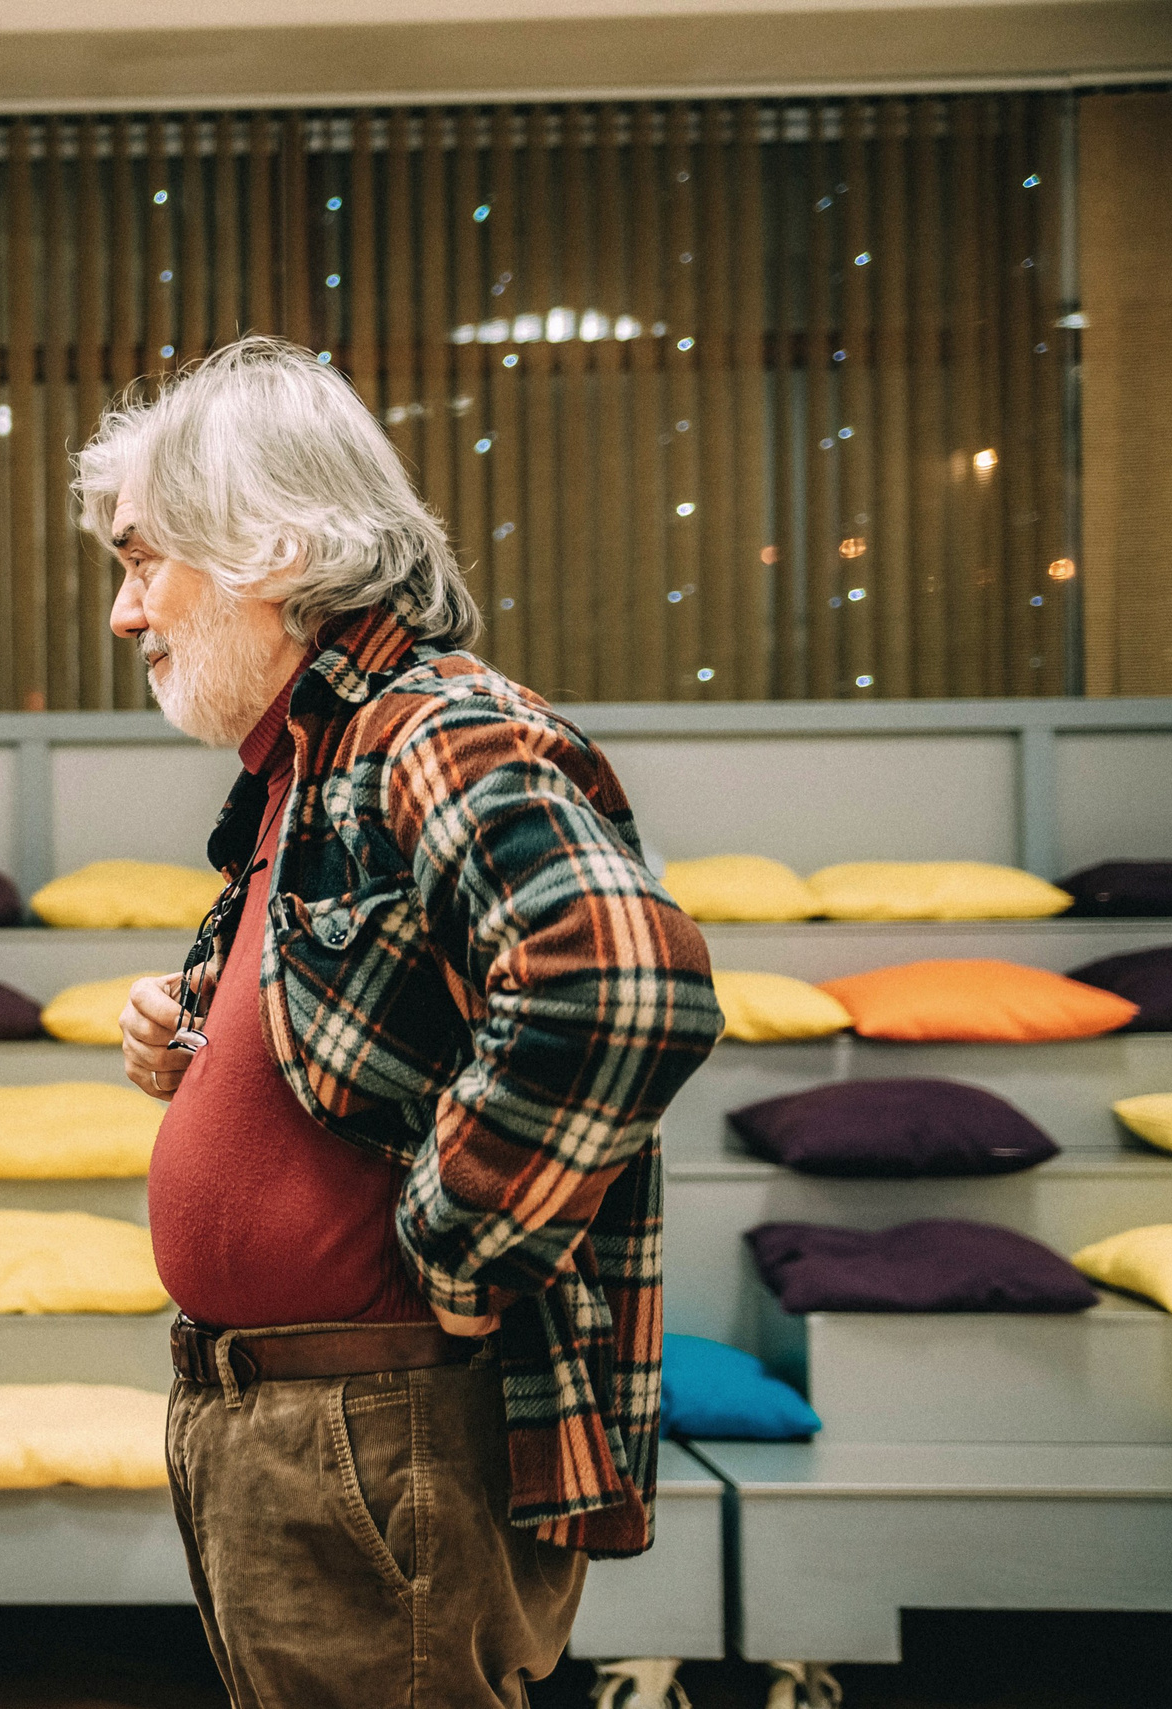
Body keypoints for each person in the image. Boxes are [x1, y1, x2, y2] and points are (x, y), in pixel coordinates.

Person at [84, 341, 723, 1709]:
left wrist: (452, 1245)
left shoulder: (428, 725)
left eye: (142, 561)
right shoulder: (311, 756)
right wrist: (196, 1037)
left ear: (267, 544)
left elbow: (622, 986)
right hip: (302, 1424)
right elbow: (371, 1023)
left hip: (380, 1427)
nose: (127, 613)